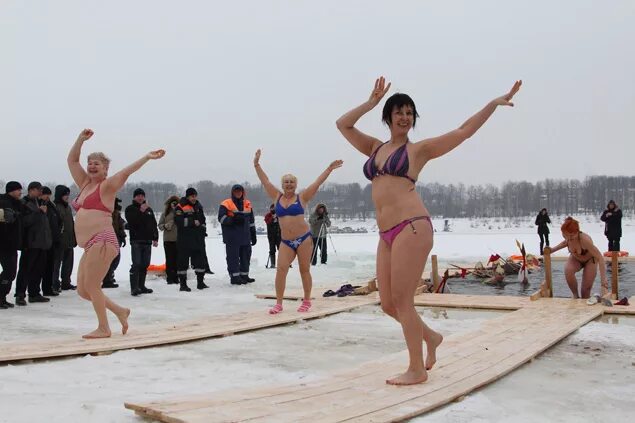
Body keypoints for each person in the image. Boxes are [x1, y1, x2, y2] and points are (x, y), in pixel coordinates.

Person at [336, 76, 521, 385]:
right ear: (389, 116)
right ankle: (431, 338)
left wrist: (493, 104)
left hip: (412, 226)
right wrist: (370, 102)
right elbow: (343, 124)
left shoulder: (418, 151)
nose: (405, 117)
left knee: (404, 301)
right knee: (388, 304)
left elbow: (463, 132)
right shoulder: (374, 148)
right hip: (386, 234)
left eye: (410, 112)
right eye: (399, 111)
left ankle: (416, 369)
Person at [68, 128, 165, 338]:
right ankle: (121, 312)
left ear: (105, 170)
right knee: (84, 291)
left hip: (103, 240)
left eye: (97, 164)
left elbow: (125, 173)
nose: (92, 166)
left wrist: (146, 158)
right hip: (91, 245)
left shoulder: (107, 186)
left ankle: (104, 328)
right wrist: (80, 140)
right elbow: (72, 161)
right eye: (90, 162)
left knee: (92, 285)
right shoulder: (84, 184)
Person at [254, 149, 342, 313]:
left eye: (291, 182)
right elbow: (265, 181)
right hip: (286, 241)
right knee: (281, 270)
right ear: (282, 185)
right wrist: (257, 164)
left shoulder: (302, 197)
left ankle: (307, 300)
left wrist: (329, 169)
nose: (289, 184)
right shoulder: (277, 197)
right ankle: (279, 303)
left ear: (296, 184)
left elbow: (317, 183)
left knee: (304, 270)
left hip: (303, 239)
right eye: (286, 182)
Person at [550, 217, 609, 299]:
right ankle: (575, 295)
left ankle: (586, 300)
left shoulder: (584, 240)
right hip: (576, 258)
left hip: (590, 260)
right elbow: (564, 243)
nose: (569, 238)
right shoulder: (567, 237)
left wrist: (603, 280)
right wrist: (552, 250)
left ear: (577, 232)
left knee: (585, 291)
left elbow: (600, 258)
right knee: (568, 270)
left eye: (571, 236)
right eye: (566, 236)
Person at [15, 181, 52, 305]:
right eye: (38, 190)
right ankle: (20, 294)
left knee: (38, 269)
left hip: (42, 242)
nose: (40, 192)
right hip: (30, 243)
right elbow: (24, 222)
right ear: (31, 190)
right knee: (25, 269)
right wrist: (38, 212)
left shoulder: (40, 202)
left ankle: (34, 293)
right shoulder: (23, 203)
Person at [218, 185, 257, 285]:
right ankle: (235, 277)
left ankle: (244, 275)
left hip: (245, 236)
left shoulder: (247, 204)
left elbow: (251, 221)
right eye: (236, 191)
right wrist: (233, 220)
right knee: (233, 258)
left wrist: (253, 234)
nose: (238, 193)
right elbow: (221, 218)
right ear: (232, 192)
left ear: (243, 192)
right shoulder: (226, 203)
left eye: (240, 191)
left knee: (246, 256)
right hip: (232, 237)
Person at [125, 188, 159, 296]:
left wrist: (155, 237)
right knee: (136, 264)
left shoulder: (149, 209)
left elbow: (153, 223)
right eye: (138, 196)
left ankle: (141, 286)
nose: (140, 198)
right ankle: (134, 288)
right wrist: (141, 211)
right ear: (134, 197)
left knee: (145, 264)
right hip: (136, 240)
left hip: (147, 240)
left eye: (142, 196)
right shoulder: (130, 209)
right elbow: (132, 222)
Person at [174, 188, 208, 291]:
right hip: (185, 239)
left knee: (200, 261)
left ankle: (200, 282)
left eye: (195, 196)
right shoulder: (180, 206)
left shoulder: (198, 206)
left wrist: (202, 228)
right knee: (183, 262)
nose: (194, 198)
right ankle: (183, 284)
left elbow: (202, 219)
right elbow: (179, 221)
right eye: (192, 196)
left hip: (198, 238)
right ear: (187, 196)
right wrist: (192, 222)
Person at [0, 181, 25, 309]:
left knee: (11, 272)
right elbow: (7, 220)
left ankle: (2, 297)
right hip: (4, 243)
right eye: (18, 190)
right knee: (9, 271)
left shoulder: (17, 203)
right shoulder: (4, 202)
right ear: (11, 190)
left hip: (12, 243)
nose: (21, 192)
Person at [53, 185, 77, 292]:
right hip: (59, 240)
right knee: (56, 263)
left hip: (69, 239)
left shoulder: (67, 207)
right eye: (65, 195)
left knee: (68, 263)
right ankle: (55, 283)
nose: (67, 197)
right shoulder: (55, 206)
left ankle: (66, 282)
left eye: (68, 194)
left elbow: (71, 223)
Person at [40, 186, 63, 297]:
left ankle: (47, 288)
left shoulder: (51, 206)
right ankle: (35, 291)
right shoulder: (40, 205)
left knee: (50, 266)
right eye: (46, 194)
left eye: (49, 195)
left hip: (53, 239)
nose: (48, 197)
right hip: (43, 241)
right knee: (42, 267)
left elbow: (58, 221)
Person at [102, 198, 127, 288]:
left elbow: (120, 226)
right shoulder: (106, 213)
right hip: (109, 239)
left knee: (115, 259)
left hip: (116, 238)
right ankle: (107, 279)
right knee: (110, 260)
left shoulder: (116, 213)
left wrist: (123, 237)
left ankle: (109, 276)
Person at [158, 195, 179, 284]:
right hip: (168, 240)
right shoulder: (165, 213)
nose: (174, 205)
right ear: (169, 204)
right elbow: (160, 226)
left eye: (176, 203)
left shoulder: (180, 212)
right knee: (169, 259)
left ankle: (176, 277)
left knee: (178, 260)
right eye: (172, 203)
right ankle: (170, 278)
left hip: (179, 240)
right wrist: (165, 226)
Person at [264, 203, 281, 268]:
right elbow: (267, 222)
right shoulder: (268, 215)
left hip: (279, 235)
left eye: (274, 208)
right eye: (272, 208)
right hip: (271, 236)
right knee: (272, 249)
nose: (273, 210)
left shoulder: (279, 216)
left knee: (281, 249)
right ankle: (273, 264)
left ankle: (283, 262)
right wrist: (272, 218)